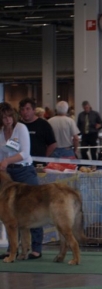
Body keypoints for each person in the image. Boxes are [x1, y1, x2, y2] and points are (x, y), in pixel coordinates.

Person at [0, 102, 42, 260]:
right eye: (4, 117)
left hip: (25, 171)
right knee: (10, 215)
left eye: (10, 116)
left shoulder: (21, 128)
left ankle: (36, 248)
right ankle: (13, 249)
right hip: (8, 174)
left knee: (34, 210)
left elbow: (25, 153)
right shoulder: (1, 132)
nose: (7, 120)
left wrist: (6, 161)